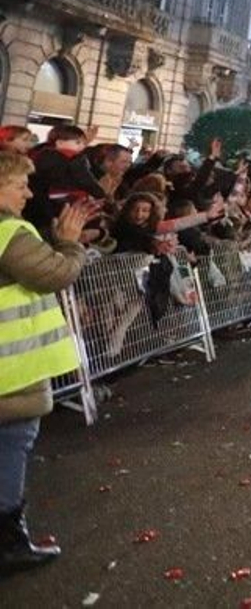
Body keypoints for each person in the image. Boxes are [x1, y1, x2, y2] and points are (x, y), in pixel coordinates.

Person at [0, 151, 90, 574]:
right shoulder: (9, 231)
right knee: (12, 447)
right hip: (11, 373)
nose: (27, 194)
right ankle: (8, 542)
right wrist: (70, 243)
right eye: (19, 185)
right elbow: (54, 273)